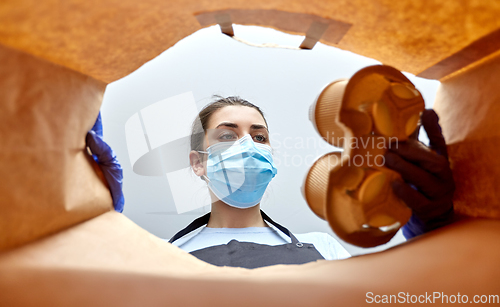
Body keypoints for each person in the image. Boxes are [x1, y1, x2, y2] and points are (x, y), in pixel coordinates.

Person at [86, 96, 455, 269]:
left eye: (259, 137)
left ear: (272, 158)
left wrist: (438, 236)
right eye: (228, 136)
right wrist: (94, 226)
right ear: (198, 164)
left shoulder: (321, 247)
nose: (248, 146)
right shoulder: (158, 258)